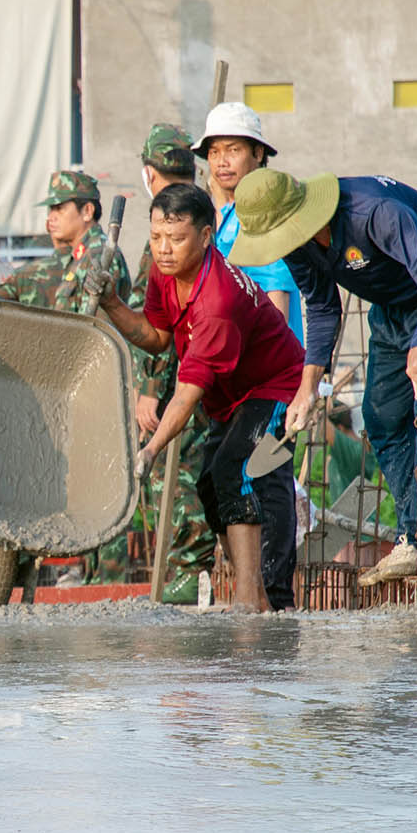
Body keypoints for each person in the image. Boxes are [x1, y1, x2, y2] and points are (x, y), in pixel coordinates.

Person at [228, 169, 417, 585]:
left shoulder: (373, 213)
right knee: (380, 416)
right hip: (396, 300)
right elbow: (321, 306)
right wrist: (306, 390)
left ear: (297, 217)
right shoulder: (298, 245)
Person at [91, 184, 304, 612]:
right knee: (208, 487)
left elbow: (188, 393)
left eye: (177, 238)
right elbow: (156, 337)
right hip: (229, 395)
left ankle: (252, 600)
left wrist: (150, 448)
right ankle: (255, 597)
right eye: (156, 237)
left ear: (206, 236)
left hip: (275, 386)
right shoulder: (163, 271)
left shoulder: (218, 301)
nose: (164, 249)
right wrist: (112, 304)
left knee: (235, 468)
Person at [108, 124, 216, 600]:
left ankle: (191, 576)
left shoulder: (171, 236)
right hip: (192, 371)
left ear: (147, 173)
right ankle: (187, 574)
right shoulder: (191, 222)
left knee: (180, 480)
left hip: (186, 379)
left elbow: (162, 330)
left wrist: (146, 388)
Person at [192, 102, 303, 339]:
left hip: (265, 359)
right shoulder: (229, 212)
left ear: (258, 153)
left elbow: (277, 304)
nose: (222, 161)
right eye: (214, 152)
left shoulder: (267, 212)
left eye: (233, 150)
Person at [0, 170, 130, 311]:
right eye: (51, 210)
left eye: (60, 209)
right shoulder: (79, 255)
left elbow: (96, 326)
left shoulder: (98, 255)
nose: (51, 217)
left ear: (87, 211)